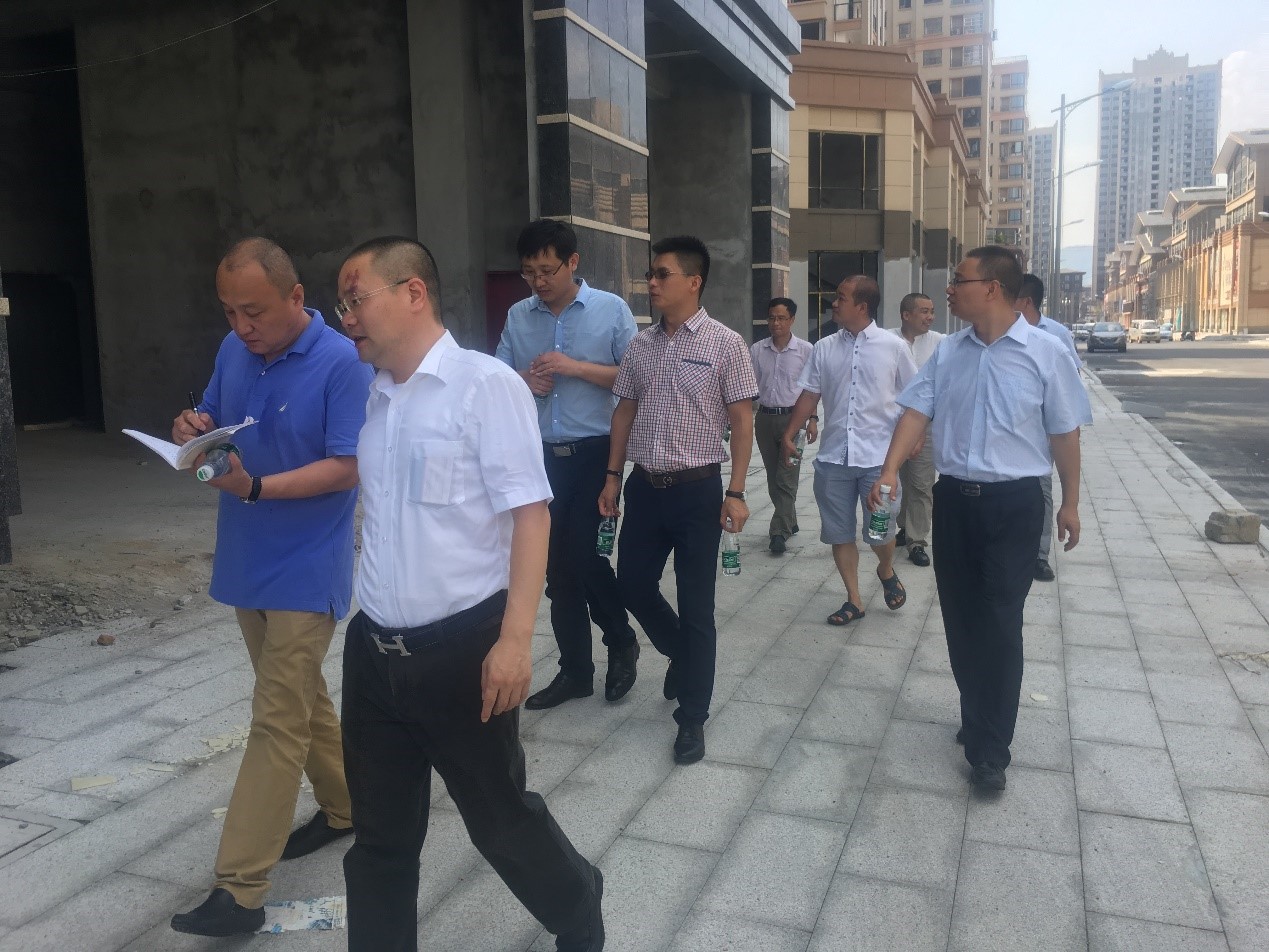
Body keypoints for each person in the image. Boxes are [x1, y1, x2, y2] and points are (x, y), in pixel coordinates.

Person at [335, 237, 603, 952]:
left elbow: (531, 516)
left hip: (461, 651)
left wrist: (515, 641)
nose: (347, 317)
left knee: (499, 821)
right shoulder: (375, 397)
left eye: (356, 299)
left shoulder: (485, 386)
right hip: (374, 651)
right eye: (342, 304)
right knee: (380, 841)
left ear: (413, 292)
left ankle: (579, 907)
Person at [169, 238, 372, 937]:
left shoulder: (343, 362)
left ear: (295, 296)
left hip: (307, 564)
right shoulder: (234, 351)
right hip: (246, 556)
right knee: (301, 695)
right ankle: (347, 808)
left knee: (277, 717)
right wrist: (192, 429)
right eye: (229, 311)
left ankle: (240, 889)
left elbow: (347, 466)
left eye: (253, 311)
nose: (241, 325)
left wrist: (254, 486)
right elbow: (212, 416)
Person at [871, 247, 1091, 793]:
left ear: (992, 288)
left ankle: (991, 750)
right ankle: (976, 713)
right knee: (961, 618)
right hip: (955, 502)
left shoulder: (1046, 352)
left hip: (1014, 505)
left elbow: (1065, 432)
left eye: (959, 280)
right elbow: (916, 411)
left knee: (999, 620)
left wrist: (1069, 502)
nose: (949, 290)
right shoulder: (950, 353)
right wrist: (890, 469)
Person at [599, 235, 757, 765]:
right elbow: (624, 411)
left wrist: (736, 491)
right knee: (632, 584)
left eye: (662, 274)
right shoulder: (641, 345)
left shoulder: (725, 344)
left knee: (696, 606)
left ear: (694, 281)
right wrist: (613, 477)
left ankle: (692, 716)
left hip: (697, 492)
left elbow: (741, 421)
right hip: (645, 487)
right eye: (650, 274)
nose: (652, 283)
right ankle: (682, 656)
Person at [495, 219, 641, 710]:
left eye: (547, 270)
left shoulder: (610, 309)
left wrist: (573, 367)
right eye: (529, 272)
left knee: (586, 557)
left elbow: (635, 379)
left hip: (595, 452)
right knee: (555, 569)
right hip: (539, 457)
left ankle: (620, 641)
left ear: (572, 262)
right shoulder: (518, 315)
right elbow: (496, 377)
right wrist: (523, 379)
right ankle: (575, 670)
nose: (538, 281)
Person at [780, 276, 917, 627]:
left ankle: (885, 569)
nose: (834, 303)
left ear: (862, 306)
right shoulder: (824, 347)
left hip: (879, 462)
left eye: (841, 298)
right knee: (838, 533)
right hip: (833, 460)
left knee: (880, 532)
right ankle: (854, 599)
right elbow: (810, 393)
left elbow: (915, 400)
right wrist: (791, 431)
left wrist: (915, 440)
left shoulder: (895, 347)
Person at [1017, 272, 1082, 583]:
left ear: (1026, 301)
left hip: (1044, 432)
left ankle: (1039, 556)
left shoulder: (1055, 335)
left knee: (1041, 490)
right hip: (1015, 429)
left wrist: (1070, 429)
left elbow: (1070, 382)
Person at [749, 297, 816, 555]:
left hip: (794, 421)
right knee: (772, 477)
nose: (776, 323)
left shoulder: (806, 350)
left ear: (792, 320)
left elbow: (812, 389)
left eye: (781, 318)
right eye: (772, 318)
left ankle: (779, 532)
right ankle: (790, 520)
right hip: (765, 420)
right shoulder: (757, 350)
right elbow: (750, 386)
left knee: (787, 476)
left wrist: (812, 419)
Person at [888, 293, 944, 568]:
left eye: (931, 311)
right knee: (896, 483)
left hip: (924, 425)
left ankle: (917, 540)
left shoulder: (941, 343)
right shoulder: (886, 341)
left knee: (921, 484)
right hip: (889, 426)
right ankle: (903, 526)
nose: (930, 317)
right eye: (924, 311)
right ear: (906, 315)